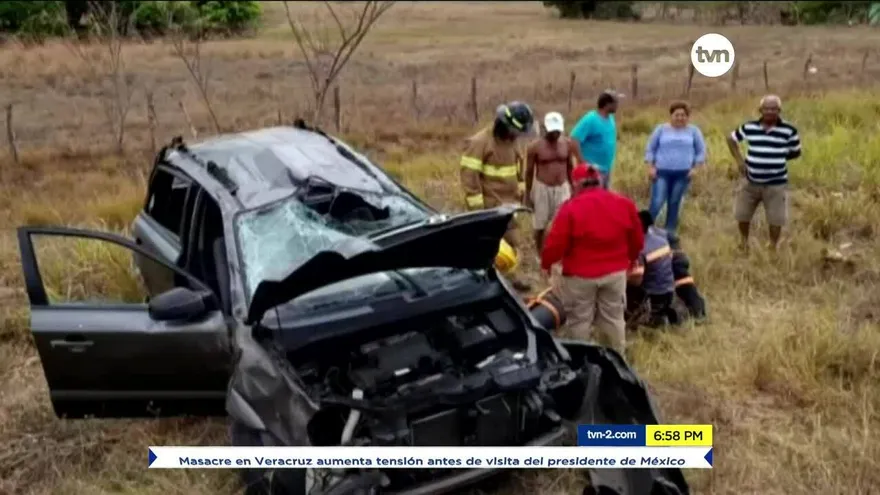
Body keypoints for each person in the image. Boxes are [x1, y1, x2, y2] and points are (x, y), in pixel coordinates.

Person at [540, 164, 644, 354]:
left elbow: (555, 244)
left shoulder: (570, 209)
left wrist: (546, 264)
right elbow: (637, 237)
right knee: (613, 317)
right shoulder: (623, 203)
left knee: (580, 320)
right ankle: (616, 359)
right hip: (615, 273)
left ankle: (581, 360)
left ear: (575, 185)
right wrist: (633, 258)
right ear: (600, 181)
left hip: (579, 277)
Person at [460, 100, 536, 291]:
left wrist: (520, 191)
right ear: (505, 125)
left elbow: (519, 167)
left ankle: (512, 281)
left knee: (513, 246)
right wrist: (478, 213)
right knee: (488, 252)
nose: (517, 136)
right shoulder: (480, 143)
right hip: (489, 209)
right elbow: (470, 178)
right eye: (516, 131)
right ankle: (483, 285)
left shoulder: (513, 142)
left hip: (509, 207)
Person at [726, 94, 801, 251]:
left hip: (776, 183)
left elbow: (795, 152)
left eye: (774, 109)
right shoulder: (750, 127)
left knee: (776, 219)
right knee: (742, 214)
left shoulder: (789, 130)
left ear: (779, 110)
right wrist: (739, 160)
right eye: (766, 108)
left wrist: (775, 156)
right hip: (751, 181)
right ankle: (744, 242)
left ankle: (773, 246)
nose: (770, 111)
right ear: (760, 110)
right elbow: (731, 138)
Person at [524, 111, 584, 254]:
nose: (555, 134)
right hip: (542, 188)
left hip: (562, 188)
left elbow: (570, 166)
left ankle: (561, 252)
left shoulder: (566, 144)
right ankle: (539, 253)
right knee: (540, 225)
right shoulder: (535, 147)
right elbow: (529, 171)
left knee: (563, 222)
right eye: (552, 131)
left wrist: (573, 186)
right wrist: (527, 194)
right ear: (545, 128)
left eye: (558, 131)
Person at [644, 101, 706, 236]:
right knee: (658, 200)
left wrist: (695, 168)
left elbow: (700, 151)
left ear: (687, 117)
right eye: (677, 115)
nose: (680, 118)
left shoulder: (693, 131)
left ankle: (669, 232)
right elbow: (650, 149)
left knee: (674, 201)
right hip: (662, 172)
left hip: (683, 174)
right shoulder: (661, 129)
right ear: (671, 115)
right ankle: (644, 229)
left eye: (683, 115)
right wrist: (651, 167)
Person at [628, 210, 679, 328]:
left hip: (653, 294)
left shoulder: (640, 249)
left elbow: (636, 281)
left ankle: (650, 319)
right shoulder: (662, 241)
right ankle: (663, 313)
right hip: (669, 290)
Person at [570, 91, 619, 189]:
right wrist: (582, 162)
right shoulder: (591, 119)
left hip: (606, 169)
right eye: (615, 103)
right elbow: (574, 139)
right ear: (607, 104)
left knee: (605, 200)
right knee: (593, 200)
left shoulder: (611, 118)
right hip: (592, 171)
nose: (617, 105)